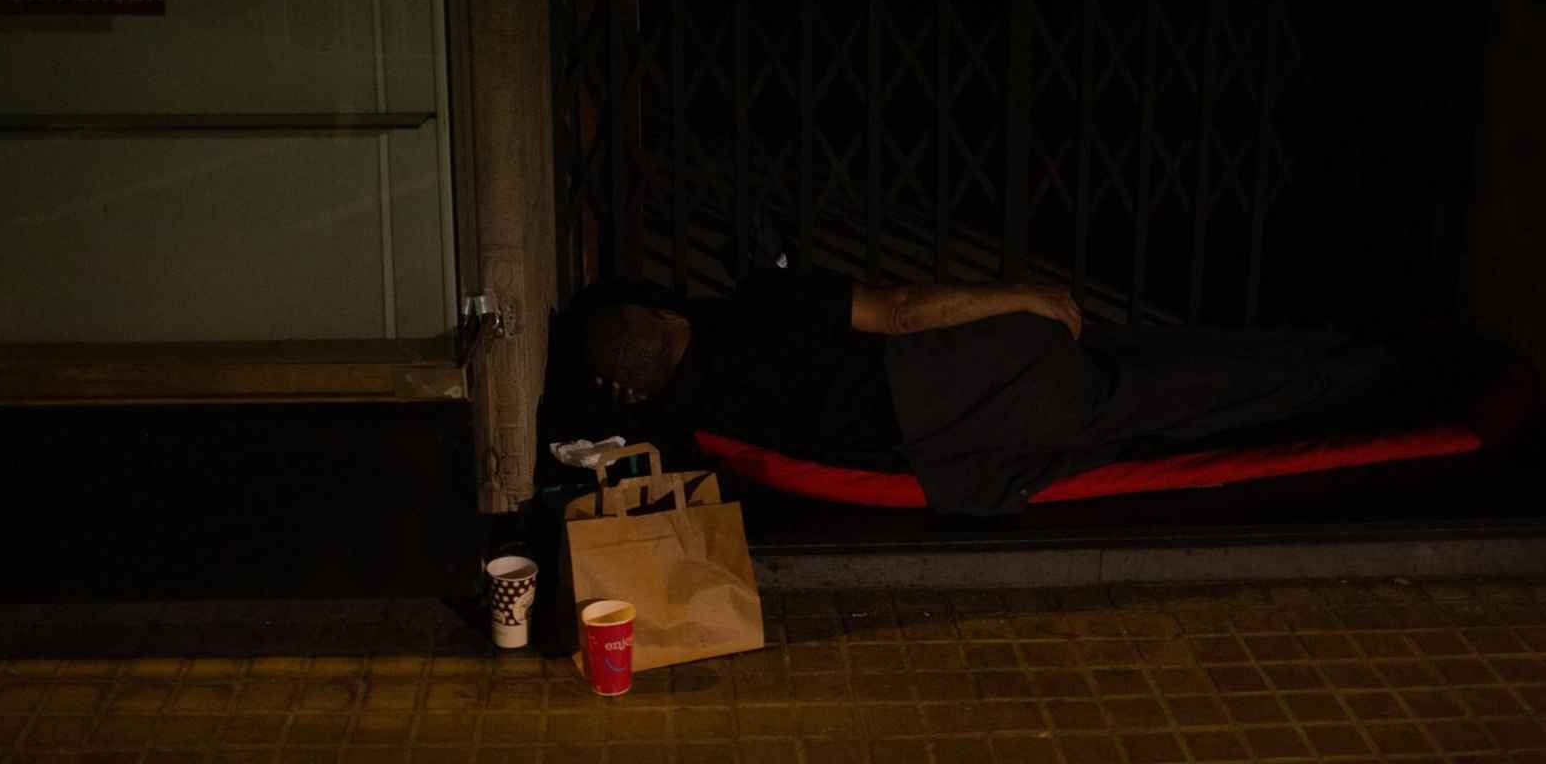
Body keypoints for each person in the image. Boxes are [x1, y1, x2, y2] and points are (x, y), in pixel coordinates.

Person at [571, 267, 1400, 515]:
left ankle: (1333, 374)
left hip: (947, 442)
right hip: (969, 379)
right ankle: (1347, 369)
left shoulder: (695, 419)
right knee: (1178, 380)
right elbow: (901, 314)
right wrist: (1023, 296)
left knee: (1170, 401)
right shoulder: (759, 305)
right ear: (659, 309)